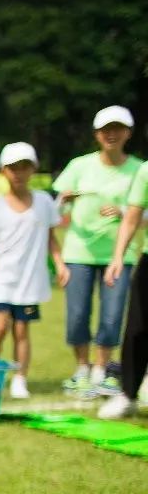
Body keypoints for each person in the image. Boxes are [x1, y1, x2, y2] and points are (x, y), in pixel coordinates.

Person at [52, 105, 143, 399]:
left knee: (112, 315)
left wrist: (124, 213)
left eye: (117, 129)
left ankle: (102, 370)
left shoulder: (138, 170)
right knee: (77, 314)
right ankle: (82, 368)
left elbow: (144, 215)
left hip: (121, 254)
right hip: (79, 252)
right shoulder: (80, 166)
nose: (111, 135)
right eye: (106, 130)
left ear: (128, 133)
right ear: (96, 135)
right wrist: (64, 199)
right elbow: (56, 211)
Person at [0, 143, 67, 400]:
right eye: (13, 168)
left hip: (29, 281)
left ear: (33, 169)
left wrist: (59, 263)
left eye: (25, 167)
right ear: (3, 171)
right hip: (0, 280)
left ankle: (20, 378)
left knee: (22, 330)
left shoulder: (44, 202)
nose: (19, 173)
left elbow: (51, 237)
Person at [99, 159, 148, 418]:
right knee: (137, 329)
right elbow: (131, 217)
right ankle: (128, 394)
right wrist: (117, 256)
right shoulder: (146, 171)